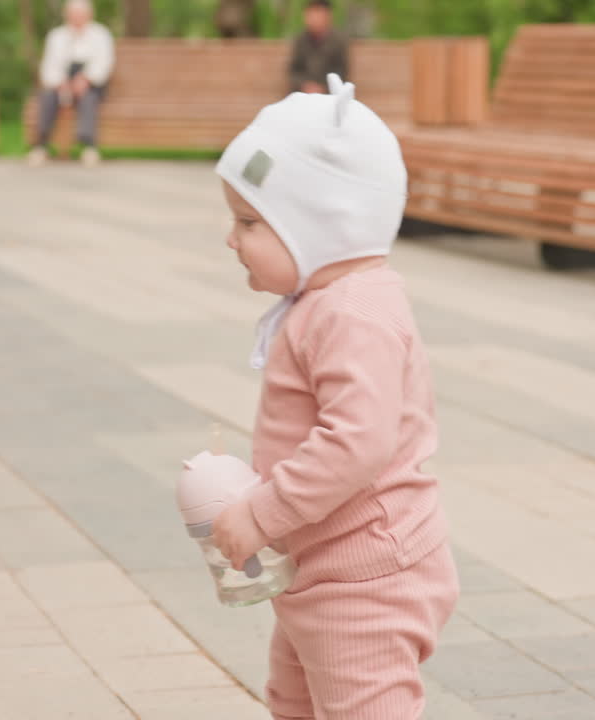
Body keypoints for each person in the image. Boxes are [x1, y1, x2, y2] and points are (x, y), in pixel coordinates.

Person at [211, 74, 458, 719]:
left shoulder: (353, 313)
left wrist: (262, 514)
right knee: (293, 702)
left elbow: (358, 442)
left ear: (319, 226)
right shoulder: (325, 302)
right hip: (320, 566)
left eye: (249, 221)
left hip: (365, 577)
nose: (231, 238)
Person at [29, 0, 115, 167]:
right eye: (73, 14)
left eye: (80, 14)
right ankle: (41, 145)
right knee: (47, 97)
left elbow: (105, 62)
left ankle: (89, 146)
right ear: (66, 15)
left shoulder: (100, 34)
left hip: (91, 83)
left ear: (89, 15)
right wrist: (61, 83)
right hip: (62, 83)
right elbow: (49, 66)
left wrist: (86, 79)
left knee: (89, 98)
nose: (76, 18)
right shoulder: (56, 36)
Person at [287, 0, 348, 94]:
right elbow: (293, 71)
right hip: (303, 94)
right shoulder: (300, 40)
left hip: (329, 96)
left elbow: (341, 72)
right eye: (311, 14)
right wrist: (305, 85)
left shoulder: (338, 41)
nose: (314, 18)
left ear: (328, 16)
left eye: (318, 14)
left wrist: (322, 88)